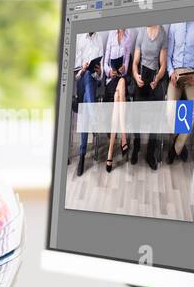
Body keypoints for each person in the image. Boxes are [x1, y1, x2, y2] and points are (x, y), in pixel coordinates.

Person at [164, 20, 194, 164]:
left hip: (190, 73)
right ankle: (179, 144)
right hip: (175, 73)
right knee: (170, 108)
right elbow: (168, 56)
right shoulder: (174, 25)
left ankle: (176, 147)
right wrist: (171, 73)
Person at [130, 24, 168, 170]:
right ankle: (137, 145)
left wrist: (157, 79)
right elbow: (135, 63)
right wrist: (135, 75)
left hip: (155, 79)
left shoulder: (162, 33)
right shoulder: (141, 32)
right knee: (136, 114)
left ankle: (150, 153)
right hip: (142, 78)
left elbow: (163, 64)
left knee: (156, 114)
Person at [101, 27, 134, 173]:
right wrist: (110, 71)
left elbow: (127, 63)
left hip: (122, 78)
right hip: (111, 80)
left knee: (120, 89)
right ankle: (123, 138)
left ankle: (110, 153)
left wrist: (123, 68)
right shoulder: (110, 34)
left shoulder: (129, 36)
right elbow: (105, 62)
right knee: (117, 97)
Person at [72, 30, 104, 176]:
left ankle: (82, 157)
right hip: (81, 82)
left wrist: (98, 71)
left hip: (91, 85)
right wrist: (83, 69)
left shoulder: (99, 39)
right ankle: (95, 121)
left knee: (84, 116)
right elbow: (75, 76)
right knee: (86, 78)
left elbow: (100, 75)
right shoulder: (79, 38)